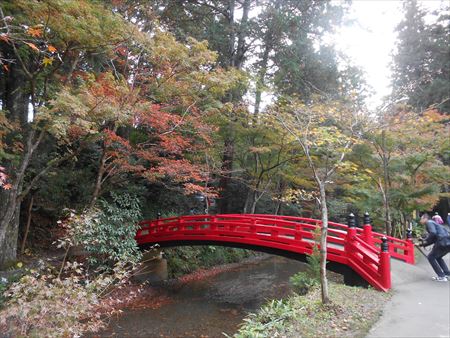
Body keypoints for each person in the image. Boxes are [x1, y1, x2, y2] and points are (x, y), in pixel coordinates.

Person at [419, 213, 450, 282]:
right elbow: (433, 238)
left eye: (421, 219)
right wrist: (422, 244)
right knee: (438, 257)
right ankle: (447, 274)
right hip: (447, 243)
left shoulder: (429, 222)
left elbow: (433, 233)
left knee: (431, 257)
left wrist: (425, 240)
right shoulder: (434, 223)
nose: (420, 220)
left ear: (425, 218)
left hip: (442, 242)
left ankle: (441, 276)